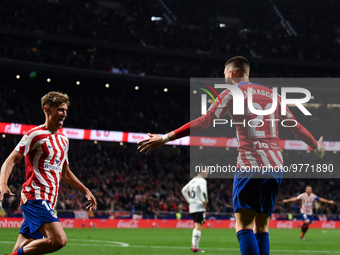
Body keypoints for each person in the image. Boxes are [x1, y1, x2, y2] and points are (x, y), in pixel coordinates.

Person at [137, 56, 325, 255]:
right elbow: (295, 126)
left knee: (243, 226)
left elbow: (204, 121)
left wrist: (165, 138)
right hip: (276, 167)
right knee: (261, 228)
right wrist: (315, 146)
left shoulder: (231, 93)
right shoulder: (273, 95)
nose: (224, 76)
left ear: (233, 72)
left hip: (250, 165)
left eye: (224, 72)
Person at [0, 91, 97, 255]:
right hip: (35, 197)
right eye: (60, 109)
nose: (64, 114)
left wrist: (85, 190)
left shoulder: (64, 140)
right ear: (47, 109)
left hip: (50, 201)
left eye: (65, 110)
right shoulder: (34, 135)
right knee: (59, 240)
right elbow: (10, 160)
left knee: (22, 246)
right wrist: (3, 184)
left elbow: (65, 173)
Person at [181, 169, 208, 253]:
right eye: (206, 171)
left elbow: (184, 190)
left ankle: (194, 245)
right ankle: (195, 247)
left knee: (197, 225)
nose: (207, 173)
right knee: (198, 226)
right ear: (202, 171)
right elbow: (203, 190)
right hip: (199, 205)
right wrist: (205, 201)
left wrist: (189, 201)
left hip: (192, 206)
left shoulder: (193, 180)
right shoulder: (202, 181)